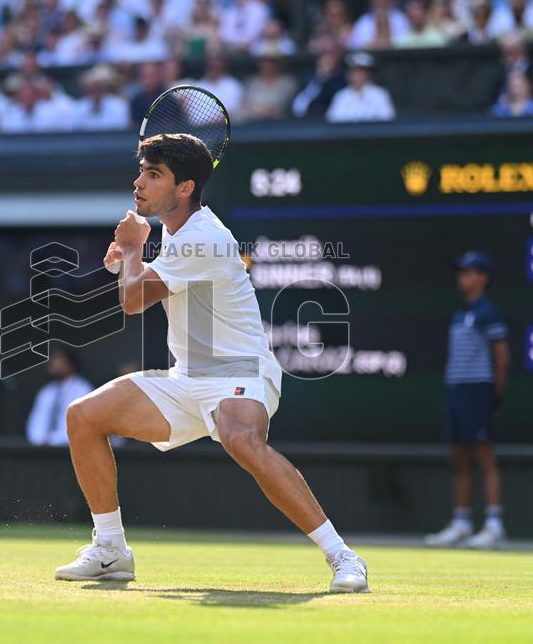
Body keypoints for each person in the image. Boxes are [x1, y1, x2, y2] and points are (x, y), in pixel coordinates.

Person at [54, 134, 369, 593]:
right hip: (186, 378)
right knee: (83, 416)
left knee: (240, 438)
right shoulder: (175, 228)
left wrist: (133, 251)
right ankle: (110, 550)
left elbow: (133, 301)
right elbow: (138, 283)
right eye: (142, 171)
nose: (138, 182)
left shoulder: (204, 236)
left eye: (154, 174)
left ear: (185, 188)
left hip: (242, 370)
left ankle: (343, 556)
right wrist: (127, 258)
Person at [425, 251, 509, 551]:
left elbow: (501, 356)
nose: (463, 277)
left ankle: (494, 524)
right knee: (458, 457)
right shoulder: (460, 313)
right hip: (457, 390)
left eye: (469, 272)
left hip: (478, 391)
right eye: (461, 272)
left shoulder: (489, 313)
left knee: (484, 456)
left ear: (483, 278)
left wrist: (493, 392)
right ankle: (461, 523)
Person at [26, 349, 93, 447]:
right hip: (41, 451)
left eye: (58, 360)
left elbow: (81, 426)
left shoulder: (83, 390)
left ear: (70, 363)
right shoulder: (47, 391)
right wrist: (39, 440)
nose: (53, 363)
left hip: (71, 450)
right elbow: (36, 422)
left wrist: (53, 441)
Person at [326, 52, 395, 122]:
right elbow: (333, 121)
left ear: (368, 74)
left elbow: (387, 119)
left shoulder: (379, 94)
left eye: (361, 72)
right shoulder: (341, 95)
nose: (357, 76)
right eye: (353, 72)